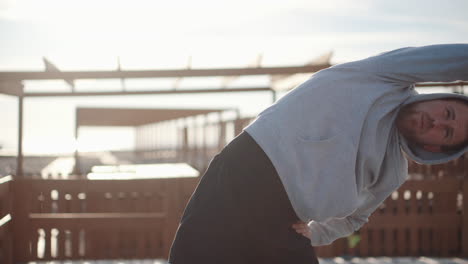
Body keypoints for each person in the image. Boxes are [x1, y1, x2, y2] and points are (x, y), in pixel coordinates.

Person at [168, 44, 468, 264]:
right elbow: (445, 60)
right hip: (244, 176)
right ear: (439, 98)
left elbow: (354, 220)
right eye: (447, 112)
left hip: (286, 221)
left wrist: (317, 233)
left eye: (446, 132)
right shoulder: (382, 77)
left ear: (434, 148)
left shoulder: (393, 172)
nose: (437, 121)